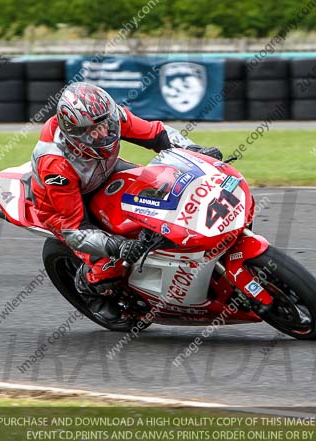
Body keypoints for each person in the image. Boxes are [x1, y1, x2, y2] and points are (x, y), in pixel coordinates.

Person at [30, 82, 222, 321]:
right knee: (111, 264)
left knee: (168, 191)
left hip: (106, 173)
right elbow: (74, 228)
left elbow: (157, 133)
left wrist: (194, 150)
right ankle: (88, 286)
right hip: (63, 207)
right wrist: (119, 247)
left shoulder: (110, 117)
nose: (104, 133)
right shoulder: (55, 164)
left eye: (105, 125)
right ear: (74, 134)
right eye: (94, 131)